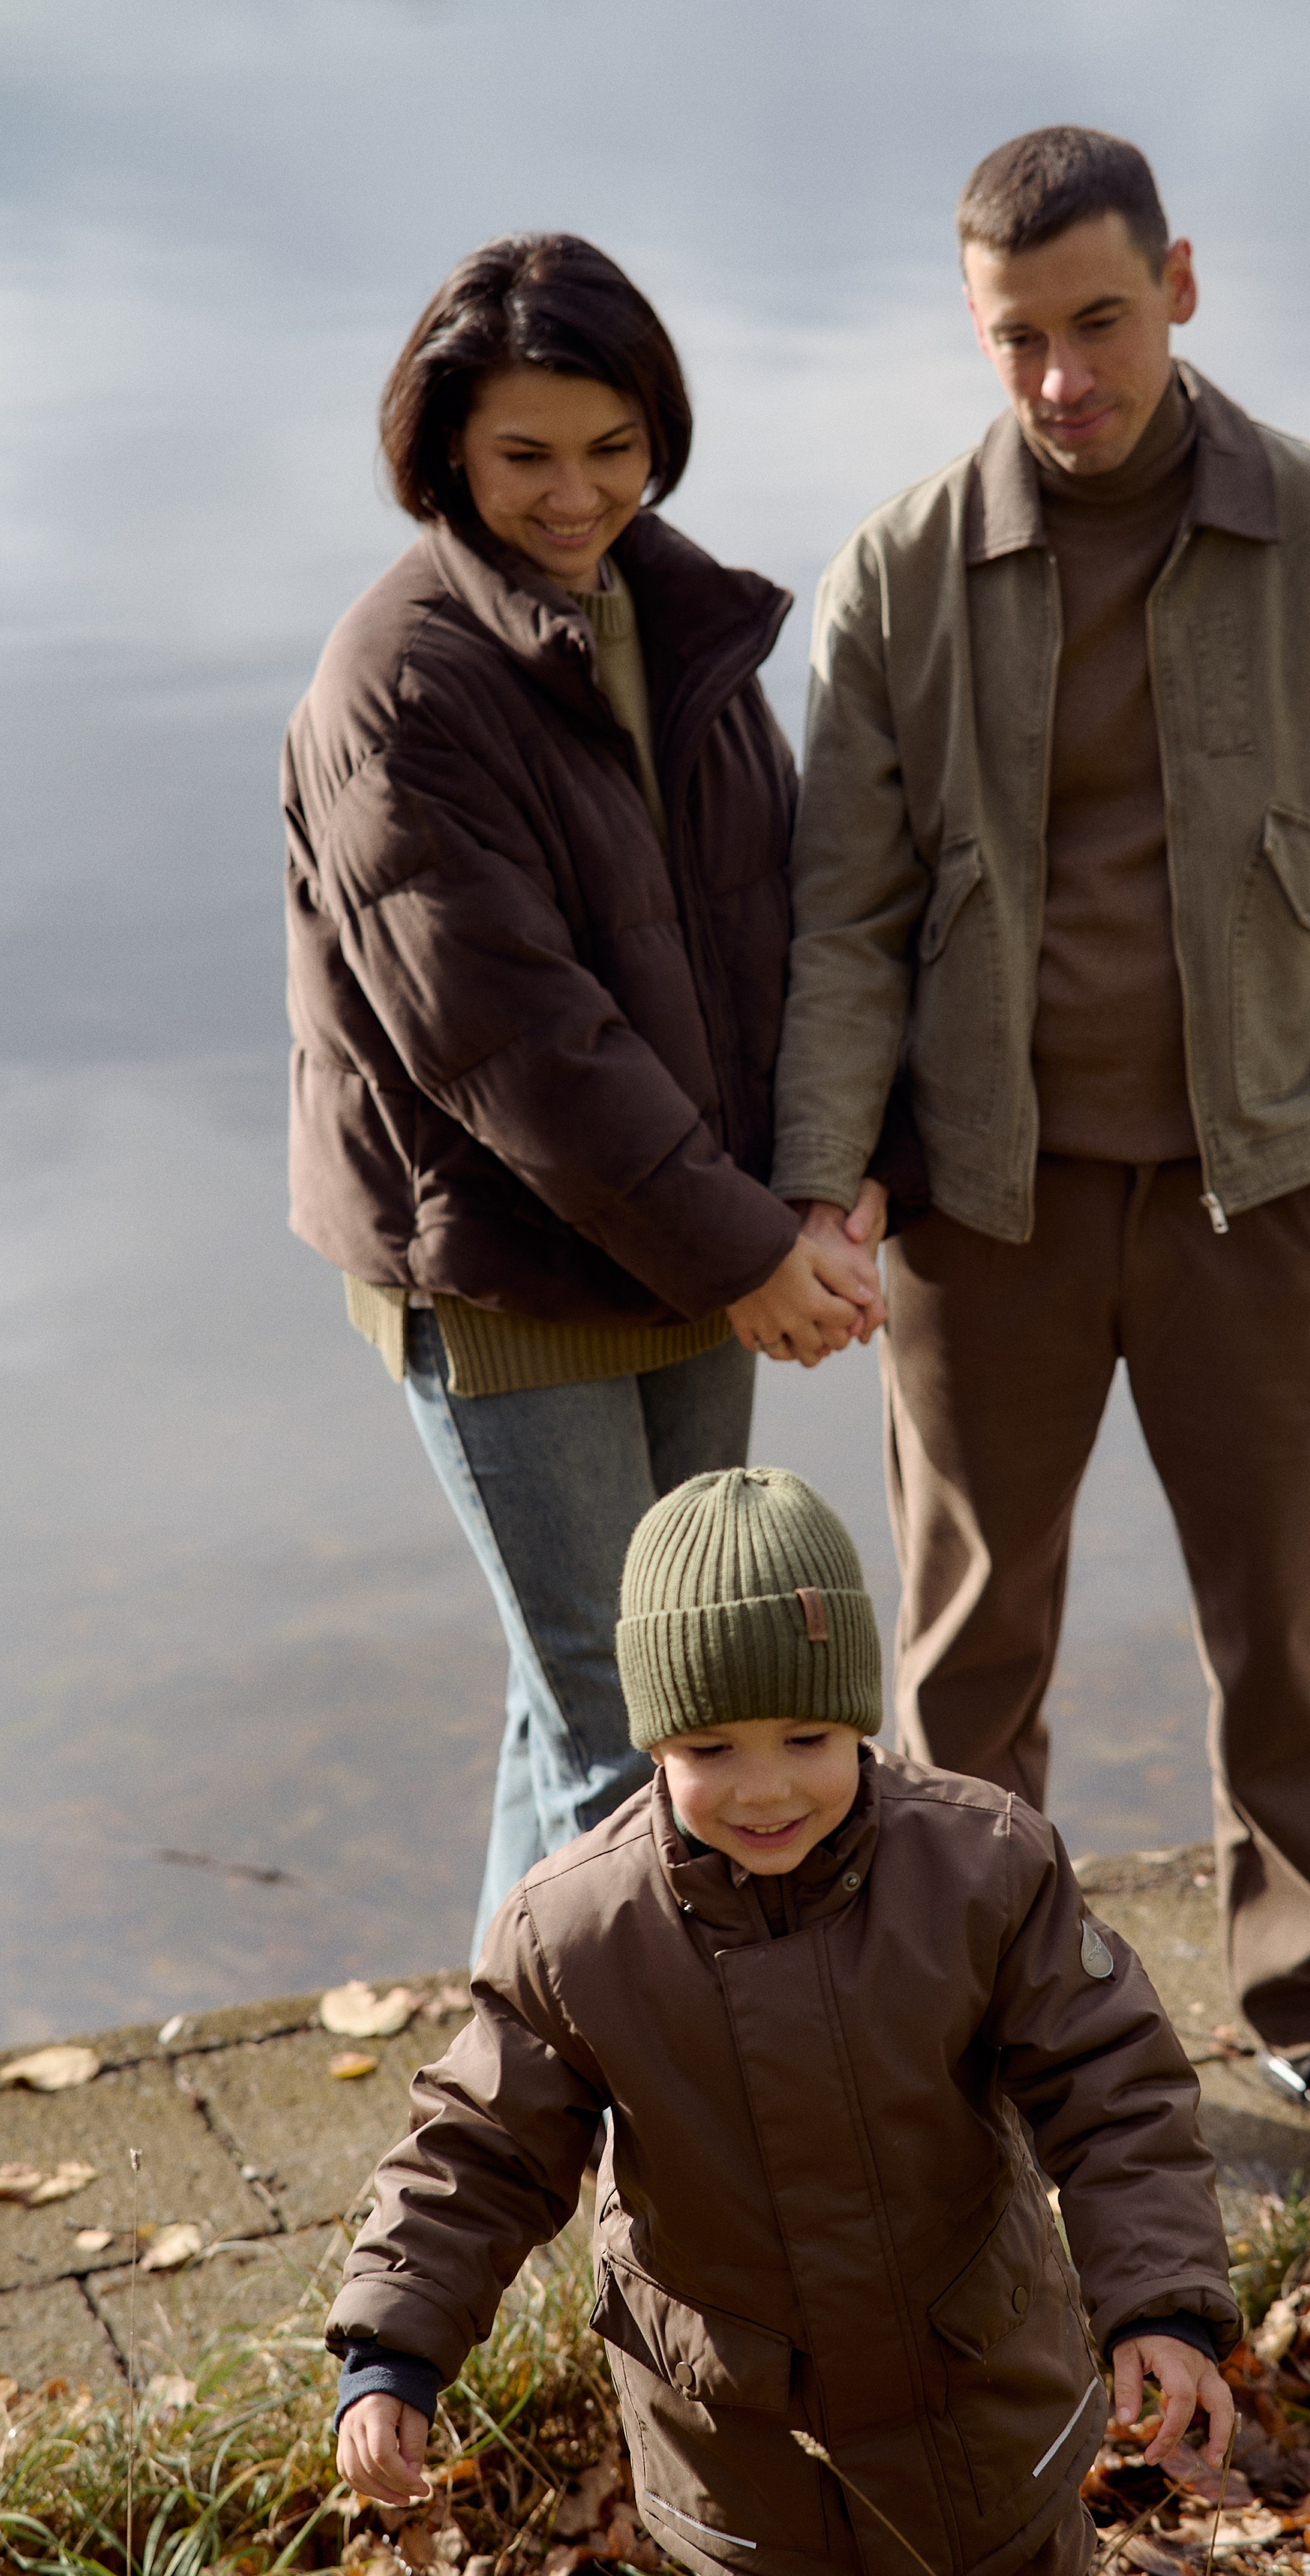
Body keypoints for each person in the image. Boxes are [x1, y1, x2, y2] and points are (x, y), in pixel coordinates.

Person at [768, 129, 1310, 2178]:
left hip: (1261, 1193)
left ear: (1180, 278)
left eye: (1099, 321)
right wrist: (830, 1185)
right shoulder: (903, 568)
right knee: (967, 1655)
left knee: (1288, 1624)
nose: (1065, 377)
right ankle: (981, 2017)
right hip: (975, 1208)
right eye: (1019, 339)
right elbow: (847, 918)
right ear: (974, 330)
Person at [283, 235, 878, 1963]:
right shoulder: (396, 684)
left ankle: (503, 2075)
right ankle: (628, 2155)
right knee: (635, 1739)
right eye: (526, 455)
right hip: (502, 1277)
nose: (575, 493)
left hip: (693, 1247)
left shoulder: (668, 613)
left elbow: (770, 920)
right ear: (445, 451)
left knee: (607, 1706)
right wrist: (741, 1247)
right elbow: (509, 1040)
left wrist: (826, 1188)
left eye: (611, 447)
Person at [329, 1466, 1239, 2574]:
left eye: (808, 1737)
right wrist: (392, 2347)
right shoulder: (575, 1930)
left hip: (982, 2401)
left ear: (862, 1716)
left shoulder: (984, 1866)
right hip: (745, 2447)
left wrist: (1160, 2299)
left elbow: (1115, 2088)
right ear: (654, 1740)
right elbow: (479, 2148)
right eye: (712, 1749)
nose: (765, 1789)